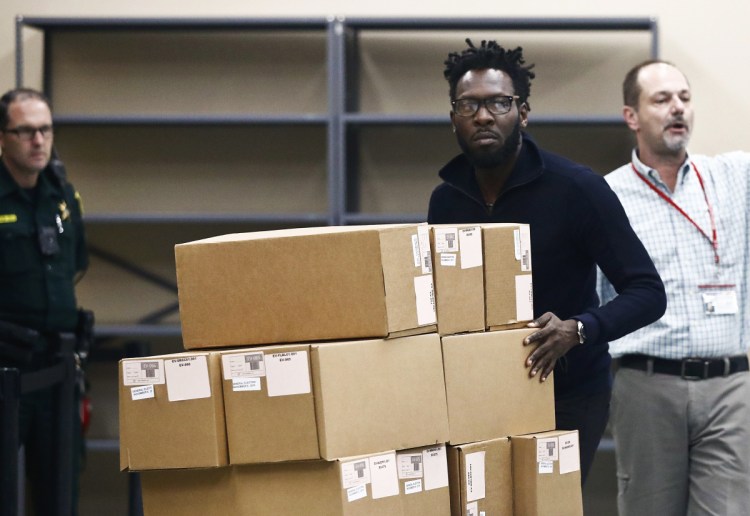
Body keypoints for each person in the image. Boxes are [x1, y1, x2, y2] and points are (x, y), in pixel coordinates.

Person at [427, 40, 666, 484]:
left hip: (568, 395)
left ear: (523, 112)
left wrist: (578, 330)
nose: (483, 116)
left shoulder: (577, 189)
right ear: (453, 118)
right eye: (469, 105)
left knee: (547, 506)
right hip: (477, 395)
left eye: (499, 102)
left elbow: (648, 293)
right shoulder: (446, 201)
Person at [597, 60, 750, 515]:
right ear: (632, 116)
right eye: (661, 100)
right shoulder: (606, 196)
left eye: (683, 97)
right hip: (647, 384)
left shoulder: (733, 176)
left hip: (729, 386)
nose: (676, 108)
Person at [0, 88, 89, 515]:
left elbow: (76, 264)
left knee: (60, 494)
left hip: (57, 372)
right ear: (3, 137)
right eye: (26, 131)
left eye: (46, 130)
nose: (38, 141)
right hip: (4, 372)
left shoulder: (63, 197)